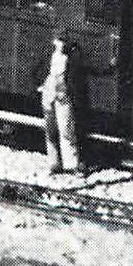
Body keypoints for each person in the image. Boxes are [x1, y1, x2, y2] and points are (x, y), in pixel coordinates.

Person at [36, 32, 85, 176]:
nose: (60, 45)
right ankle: (53, 164)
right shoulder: (48, 55)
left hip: (63, 96)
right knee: (50, 131)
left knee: (66, 130)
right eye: (58, 41)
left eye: (63, 42)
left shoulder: (71, 59)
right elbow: (36, 69)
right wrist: (39, 86)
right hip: (49, 95)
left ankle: (72, 165)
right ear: (54, 42)